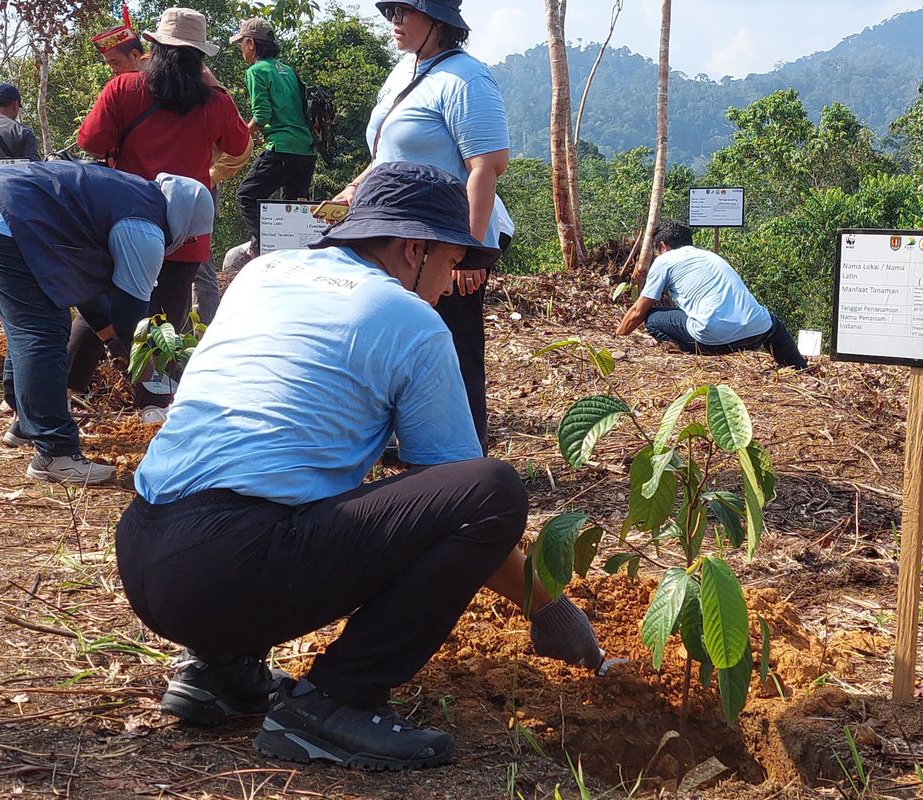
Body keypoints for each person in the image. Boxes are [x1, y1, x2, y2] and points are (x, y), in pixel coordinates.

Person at [115, 162, 602, 771]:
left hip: (142, 552)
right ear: (414, 248)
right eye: (450, 263)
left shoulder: (263, 273)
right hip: (228, 569)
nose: (449, 283)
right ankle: (337, 703)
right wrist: (548, 606)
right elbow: (457, 500)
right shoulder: (410, 320)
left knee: (295, 473)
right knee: (492, 491)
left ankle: (219, 670)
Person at [0, 161, 214, 484]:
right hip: (3, 214)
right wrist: (156, 370)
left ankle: (25, 423)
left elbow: (85, 294)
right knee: (42, 329)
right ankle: (54, 452)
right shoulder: (144, 229)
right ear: (185, 222)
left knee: (30, 323)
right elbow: (131, 316)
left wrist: (112, 342)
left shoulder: (126, 195)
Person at [334, 0, 509, 452]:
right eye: (391, 8)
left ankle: (464, 451)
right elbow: (385, 155)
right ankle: (408, 438)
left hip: (447, 236)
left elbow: (486, 168)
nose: (394, 18)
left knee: (454, 342)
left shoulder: (467, 79)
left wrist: (468, 251)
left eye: (404, 10)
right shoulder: (403, 72)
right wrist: (352, 190)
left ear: (438, 23)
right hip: (401, 234)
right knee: (403, 334)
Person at [74, 7, 249, 419]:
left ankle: (65, 391)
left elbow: (91, 144)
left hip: (124, 221)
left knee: (106, 303)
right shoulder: (214, 101)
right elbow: (239, 146)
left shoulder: (123, 89)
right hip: (184, 228)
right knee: (165, 317)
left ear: (152, 47)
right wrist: (216, 87)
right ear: (199, 57)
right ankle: (152, 404)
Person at [616, 220, 807, 369]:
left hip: (712, 341)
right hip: (757, 332)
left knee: (652, 318)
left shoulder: (665, 260)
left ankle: (687, 353)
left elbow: (638, 311)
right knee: (772, 321)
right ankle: (799, 368)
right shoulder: (709, 256)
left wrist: (617, 337)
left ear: (663, 246)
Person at [228, 17, 316, 267]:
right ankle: (295, 259)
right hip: (306, 151)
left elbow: (262, 115)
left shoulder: (256, 71)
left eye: (241, 44)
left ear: (251, 44)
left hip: (282, 148)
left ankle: (267, 248)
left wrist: (244, 133)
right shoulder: (287, 70)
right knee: (294, 210)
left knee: (246, 196)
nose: (241, 49)